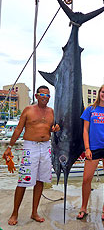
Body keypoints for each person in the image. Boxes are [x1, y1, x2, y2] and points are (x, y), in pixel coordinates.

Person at [3, 85, 60, 226]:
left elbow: (55, 128)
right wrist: (9, 147)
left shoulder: (52, 112)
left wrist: (56, 129)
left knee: (40, 180)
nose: (45, 97)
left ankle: (34, 212)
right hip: (30, 147)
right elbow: (18, 129)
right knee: (23, 181)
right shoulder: (29, 110)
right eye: (42, 94)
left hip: (46, 147)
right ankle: (14, 213)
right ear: (36, 95)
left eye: (47, 95)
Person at [77, 84, 104, 221]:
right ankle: (83, 207)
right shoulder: (90, 110)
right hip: (93, 148)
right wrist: (87, 148)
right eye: (103, 92)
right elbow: (85, 130)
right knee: (86, 179)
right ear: (99, 93)